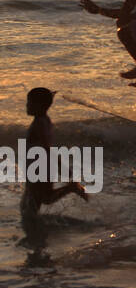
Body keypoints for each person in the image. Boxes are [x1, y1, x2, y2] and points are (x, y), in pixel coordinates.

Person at [20, 88, 88, 220]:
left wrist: (61, 167)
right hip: (37, 166)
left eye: (29, 102)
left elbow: (46, 147)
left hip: (40, 167)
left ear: (39, 105)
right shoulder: (44, 120)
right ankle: (33, 228)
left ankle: (71, 188)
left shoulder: (39, 124)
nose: (27, 106)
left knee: (38, 201)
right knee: (34, 200)